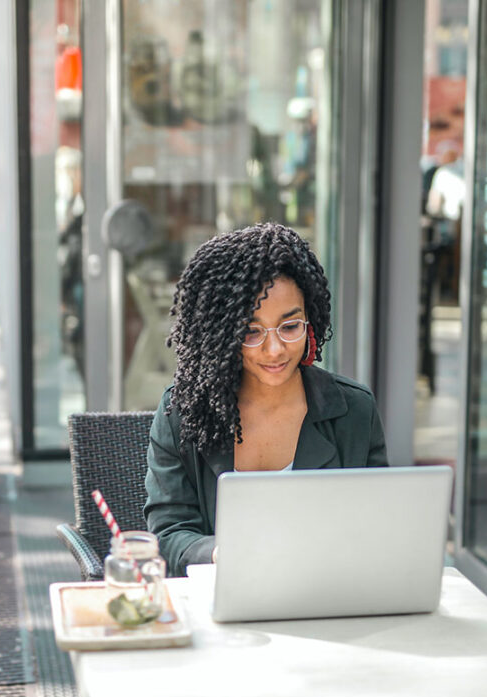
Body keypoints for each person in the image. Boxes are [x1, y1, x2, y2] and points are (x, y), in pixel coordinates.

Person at [144, 223, 389, 576]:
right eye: (251, 331)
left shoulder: (354, 411)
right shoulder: (182, 413)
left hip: (329, 597)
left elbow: (378, 528)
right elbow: (168, 534)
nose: (274, 350)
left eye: (290, 327)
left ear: (311, 322)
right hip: (221, 602)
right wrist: (217, 552)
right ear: (222, 335)